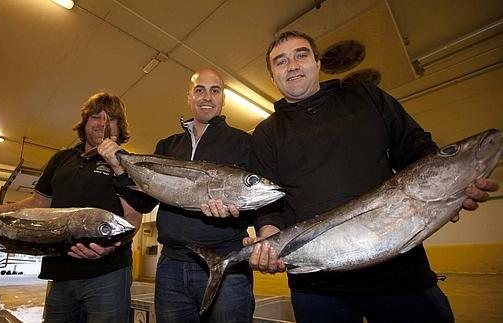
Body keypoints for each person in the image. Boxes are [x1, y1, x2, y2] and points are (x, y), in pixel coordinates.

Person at [244, 31, 499, 323]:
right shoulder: (266, 132)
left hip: (400, 275)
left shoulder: (367, 97)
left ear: (317, 62)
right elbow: (268, 200)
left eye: (301, 55)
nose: (292, 65)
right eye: (281, 61)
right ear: (272, 76)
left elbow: (417, 150)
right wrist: (267, 237)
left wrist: (455, 186)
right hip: (316, 287)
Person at [0, 92, 153, 323]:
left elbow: (133, 217)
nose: (102, 123)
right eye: (95, 117)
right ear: (84, 123)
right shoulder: (61, 159)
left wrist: (110, 248)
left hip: (107, 273)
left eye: (110, 119)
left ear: (119, 127)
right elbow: (38, 204)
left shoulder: (125, 163)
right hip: (60, 272)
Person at [152, 68, 254, 322]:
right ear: (189, 97)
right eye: (200, 90)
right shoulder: (167, 146)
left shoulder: (243, 142)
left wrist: (237, 215)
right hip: (171, 267)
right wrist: (122, 169)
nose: (207, 96)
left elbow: (257, 204)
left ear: (223, 98)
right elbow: (143, 201)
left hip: (228, 264)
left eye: (214, 90)